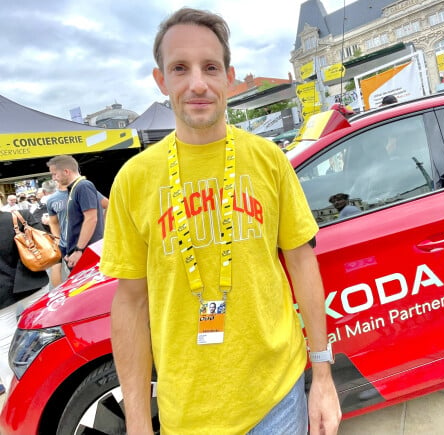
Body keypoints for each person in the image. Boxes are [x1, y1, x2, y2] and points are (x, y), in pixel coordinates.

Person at [100, 8, 341, 435]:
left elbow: (302, 263)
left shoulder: (268, 160)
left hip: (278, 400)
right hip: (188, 414)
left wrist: (322, 376)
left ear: (228, 77)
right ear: (161, 81)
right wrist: (137, 421)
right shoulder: (133, 181)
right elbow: (131, 302)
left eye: (210, 67)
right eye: (180, 68)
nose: (197, 83)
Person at [0, 209, 49, 392]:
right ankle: (49, 377)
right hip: (32, 282)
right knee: (46, 334)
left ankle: (18, 391)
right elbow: (46, 238)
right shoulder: (20, 216)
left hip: (2, 296)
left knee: (5, 348)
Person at [46, 155, 104, 271]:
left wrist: (79, 250)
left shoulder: (83, 186)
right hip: (80, 251)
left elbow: (91, 219)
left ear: (66, 171)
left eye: (54, 174)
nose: (54, 178)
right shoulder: (75, 188)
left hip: (87, 252)